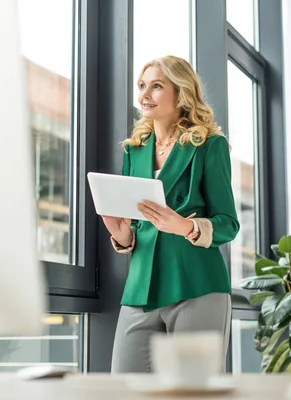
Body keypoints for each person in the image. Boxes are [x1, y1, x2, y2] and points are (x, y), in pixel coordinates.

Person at [102, 55, 240, 373]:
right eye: (141, 86)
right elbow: (139, 227)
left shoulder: (209, 145)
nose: (145, 94)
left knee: (193, 392)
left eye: (156, 86)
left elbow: (228, 224)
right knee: (125, 389)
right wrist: (122, 235)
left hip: (196, 284)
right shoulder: (134, 150)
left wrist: (186, 226)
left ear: (181, 93)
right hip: (141, 287)